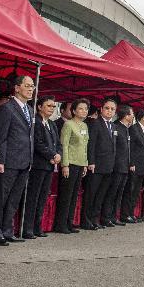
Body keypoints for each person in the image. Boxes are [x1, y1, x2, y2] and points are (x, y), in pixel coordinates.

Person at [0, 74, 35, 245]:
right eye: (28, 85)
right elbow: (1, 137)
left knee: (14, 198)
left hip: (24, 160)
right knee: (0, 197)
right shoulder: (7, 108)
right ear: (17, 88)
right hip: (8, 161)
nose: (31, 89)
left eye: (33, 86)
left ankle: (7, 230)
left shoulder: (30, 110)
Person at [22, 95, 61, 239]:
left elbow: (58, 143)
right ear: (39, 107)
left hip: (50, 166)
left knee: (43, 197)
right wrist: (51, 154)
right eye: (49, 106)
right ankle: (28, 228)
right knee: (33, 197)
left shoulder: (51, 124)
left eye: (53, 106)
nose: (52, 109)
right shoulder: (36, 122)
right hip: (38, 165)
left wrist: (58, 154)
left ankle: (38, 227)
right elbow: (37, 143)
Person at [54, 99, 90, 234]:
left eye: (86, 109)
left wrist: (85, 164)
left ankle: (69, 222)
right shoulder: (68, 124)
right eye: (81, 108)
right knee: (66, 195)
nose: (84, 111)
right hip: (70, 163)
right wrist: (65, 164)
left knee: (74, 195)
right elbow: (64, 145)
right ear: (74, 111)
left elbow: (85, 146)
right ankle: (61, 223)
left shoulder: (84, 126)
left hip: (81, 163)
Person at [81, 97, 117, 230]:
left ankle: (95, 219)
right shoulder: (95, 123)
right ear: (101, 109)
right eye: (107, 108)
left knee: (101, 194)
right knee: (91, 194)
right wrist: (91, 161)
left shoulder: (113, 126)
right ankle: (86, 220)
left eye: (112, 109)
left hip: (108, 166)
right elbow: (92, 144)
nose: (109, 111)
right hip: (96, 165)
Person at [104, 104, 133, 226]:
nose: (132, 116)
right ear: (126, 116)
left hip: (125, 166)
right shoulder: (116, 127)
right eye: (131, 114)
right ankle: (106, 217)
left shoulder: (126, 128)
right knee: (112, 193)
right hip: (116, 166)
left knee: (119, 193)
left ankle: (114, 216)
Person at [123, 110, 144, 222]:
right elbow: (131, 148)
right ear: (143, 118)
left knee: (136, 191)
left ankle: (132, 213)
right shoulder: (134, 129)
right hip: (134, 165)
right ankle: (125, 214)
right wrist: (132, 163)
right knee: (130, 190)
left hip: (143, 165)